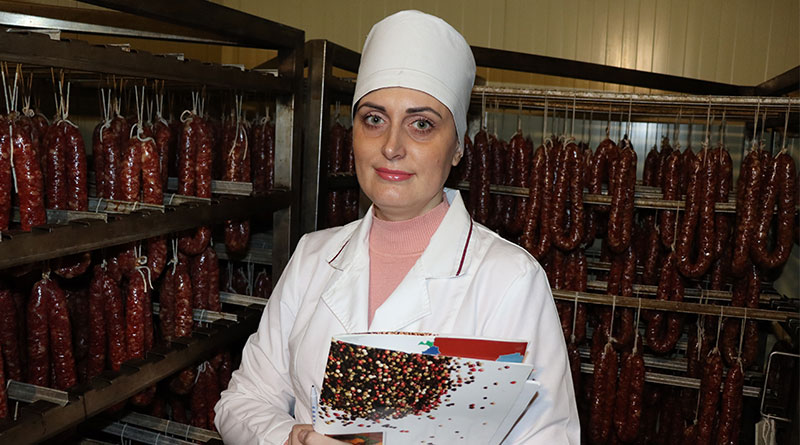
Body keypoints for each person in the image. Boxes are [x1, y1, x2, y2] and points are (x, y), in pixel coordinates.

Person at [215, 10, 580, 445]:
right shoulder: (313, 257)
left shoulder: (510, 279)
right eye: (374, 119)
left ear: (458, 147)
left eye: (421, 124)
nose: (391, 146)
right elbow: (241, 403)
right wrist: (292, 439)